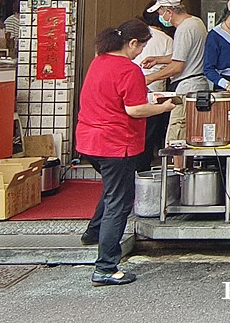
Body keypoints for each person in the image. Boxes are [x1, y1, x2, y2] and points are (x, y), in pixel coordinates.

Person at [75, 19, 176, 286]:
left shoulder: (98, 62)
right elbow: (135, 109)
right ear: (133, 43)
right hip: (115, 143)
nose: (142, 51)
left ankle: (93, 233)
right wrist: (164, 108)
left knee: (112, 190)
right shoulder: (128, 70)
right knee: (119, 202)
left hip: (88, 141)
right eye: (142, 46)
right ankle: (106, 267)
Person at [141, 0, 207, 143]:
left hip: (186, 88)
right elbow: (183, 55)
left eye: (160, 12)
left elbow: (178, 66)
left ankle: (178, 168)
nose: (160, 17)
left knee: (176, 139)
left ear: (169, 11)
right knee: (188, 134)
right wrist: (158, 60)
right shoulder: (196, 22)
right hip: (196, 86)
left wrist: (150, 78)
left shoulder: (184, 29)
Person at [134, 3, 175, 164]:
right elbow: (175, 65)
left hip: (134, 86)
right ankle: (146, 163)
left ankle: (137, 162)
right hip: (155, 89)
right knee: (151, 130)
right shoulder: (167, 39)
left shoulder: (136, 36)